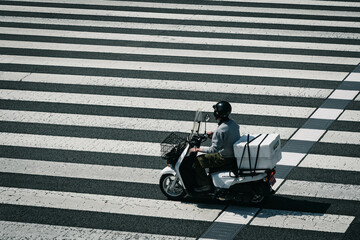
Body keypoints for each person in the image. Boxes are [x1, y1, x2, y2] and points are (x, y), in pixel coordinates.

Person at [189, 101, 240, 192]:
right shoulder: (233, 123)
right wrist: (213, 135)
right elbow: (227, 137)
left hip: (224, 157)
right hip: (233, 154)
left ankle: (205, 185)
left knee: (198, 161)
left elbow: (214, 149)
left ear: (217, 113)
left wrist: (198, 149)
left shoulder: (220, 130)